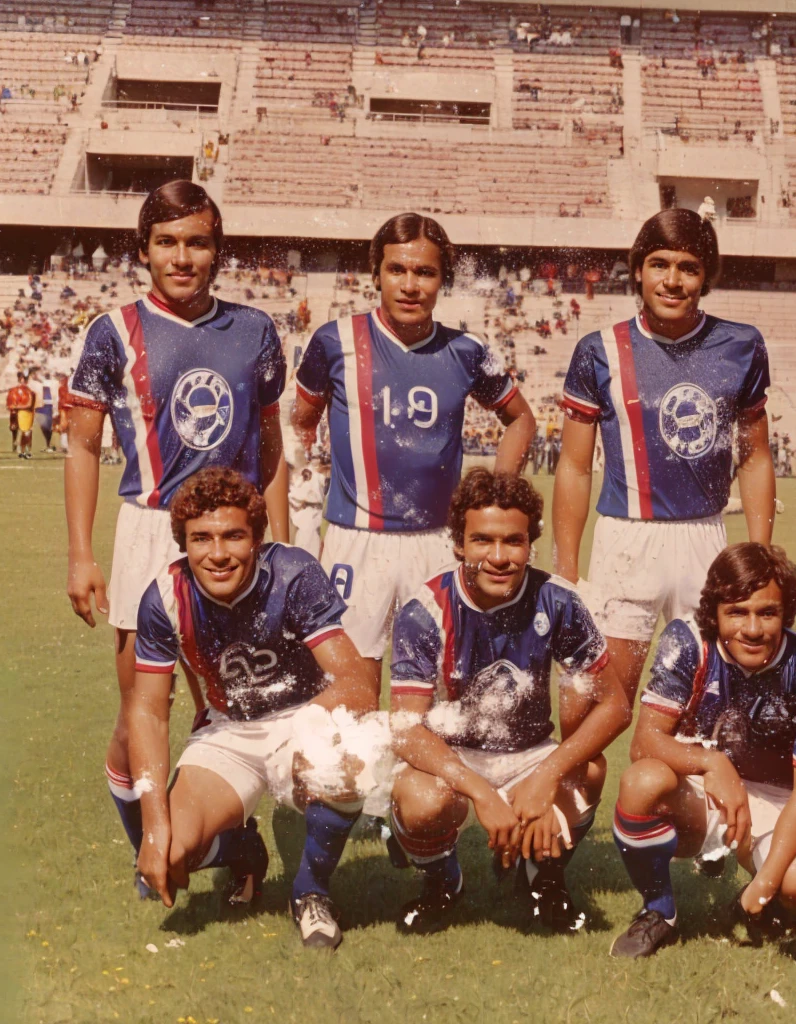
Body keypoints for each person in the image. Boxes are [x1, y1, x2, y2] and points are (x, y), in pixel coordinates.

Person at [62, 180, 290, 894]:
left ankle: (228, 835)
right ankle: (172, 852)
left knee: (236, 702)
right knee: (139, 713)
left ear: (218, 251)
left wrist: (278, 542)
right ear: (143, 251)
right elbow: (80, 446)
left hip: (236, 540)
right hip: (147, 531)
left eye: (196, 242)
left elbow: (271, 440)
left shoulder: (255, 330)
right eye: (167, 243)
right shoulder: (111, 331)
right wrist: (79, 555)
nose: (182, 257)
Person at [291, 212, 535, 713]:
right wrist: (304, 512)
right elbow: (301, 423)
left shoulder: (468, 351)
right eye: (397, 269)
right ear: (375, 273)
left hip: (437, 544)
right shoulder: (333, 341)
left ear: (442, 279)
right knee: (350, 700)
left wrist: (496, 498)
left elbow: (520, 419)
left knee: (446, 704)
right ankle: (352, 793)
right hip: (354, 540)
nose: (409, 284)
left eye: (424, 272)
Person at [127, 468, 377, 949]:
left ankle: (311, 893)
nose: (217, 554)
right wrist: (154, 826)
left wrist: (302, 732)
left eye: (233, 536)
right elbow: (148, 714)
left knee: (341, 772)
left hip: (307, 715)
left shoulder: (293, 572)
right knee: (172, 852)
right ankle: (242, 847)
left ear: (257, 540)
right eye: (201, 539)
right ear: (183, 543)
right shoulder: (163, 597)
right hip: (230, 729)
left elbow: (357, 685)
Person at [555, 208, 776, 741]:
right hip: (625, 540)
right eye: (659, 264)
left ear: (706, 277)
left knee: (705, 717)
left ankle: (675, 823)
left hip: (704, 540)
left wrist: (759, 556)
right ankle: (566, 820)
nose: (672, 281)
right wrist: (566, 568)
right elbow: (575, 465)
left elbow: (755, 456)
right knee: (587, 714)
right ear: (637, 269)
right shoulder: (598, 350)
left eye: (688, 268)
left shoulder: (741, 345)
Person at [387, 470, 626, 934]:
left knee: (591, 769)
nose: (498, 557)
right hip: (452, 755)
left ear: (529, 544)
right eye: (482, 541)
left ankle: (543, 878)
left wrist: (547, 774)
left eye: (513, 542)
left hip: (528, 753)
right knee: (421, 801)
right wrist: (478, 790)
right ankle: (441, 881)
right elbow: (405, 729)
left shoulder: (557, 600)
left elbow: (615, 705)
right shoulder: (426, 609)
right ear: (459, 544)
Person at [608, 544, 796, 958]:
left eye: (767, 613)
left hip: (781, 798)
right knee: (642, 782)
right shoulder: (688, 641)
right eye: (736, 611)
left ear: (785, 613)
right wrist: (711, 761)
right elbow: (645, 741)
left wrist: (764, 885)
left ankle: (784, 900)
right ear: (713, 611)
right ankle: (659, 912)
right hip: (708, 787)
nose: (752, 629)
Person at [288, 458, 327, 557]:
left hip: (313, 518)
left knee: (312, 545)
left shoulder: (317, 476)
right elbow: (295, 497)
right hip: (305, 519)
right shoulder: (300, 478)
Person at [6, 370, 36, 460]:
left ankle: (26, 449)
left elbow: (30, 405)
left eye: (25, 378)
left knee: (27, 432)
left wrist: (17, 407)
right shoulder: (13, 391)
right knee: (16, 429)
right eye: (22, 378)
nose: (23, 380)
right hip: (17, 413)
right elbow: (9, 404)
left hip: (26, 414)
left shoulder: (30, 392)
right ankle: (17, 445)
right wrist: (13, 407)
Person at [34, 373, 57, 452]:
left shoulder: (51, 383)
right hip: (41, 405)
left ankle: (49, 444)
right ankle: (48, 444)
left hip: (48, 405)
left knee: (48, 426)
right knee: (43, 426)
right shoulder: (37, 384)